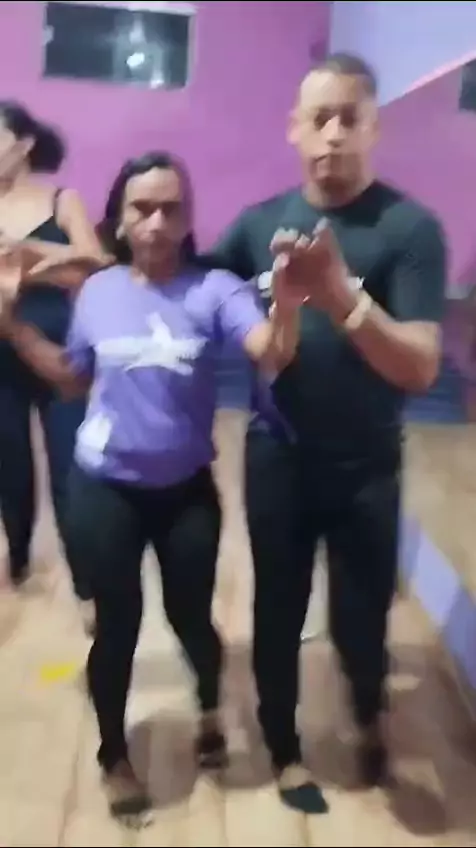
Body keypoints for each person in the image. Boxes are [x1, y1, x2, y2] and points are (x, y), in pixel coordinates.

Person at [0, 151, 307, 824]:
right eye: (143, 208)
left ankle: (209, 705)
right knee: (117, 625)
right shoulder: (97, 292)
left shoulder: (215, 290)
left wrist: (285, 305)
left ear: (190, 218)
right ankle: (114, 755)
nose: (158, 222)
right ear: (118, 218)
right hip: (104, 488)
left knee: (192, 618)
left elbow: (273, 351)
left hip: (185, 490)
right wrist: (12, 326)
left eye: (172, 209)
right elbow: (73, 377)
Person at [207, 53, 446, 812]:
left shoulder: (410, 229)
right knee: (276, 610)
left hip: (368, 463)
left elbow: (421, 368)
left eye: (351, 118)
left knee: (361, 618)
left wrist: (341, 297)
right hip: (277, 457)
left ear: (375, 128)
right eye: (320, 118)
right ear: (295, 129)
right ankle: (282, 746)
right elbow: (194, 296)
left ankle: (369, 711)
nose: (334, 134)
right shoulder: (254, 228)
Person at [0, 101, 107, 616]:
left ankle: (87, 586)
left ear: (23, 144)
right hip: (1, 347)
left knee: (70, 467)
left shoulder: (63, 200)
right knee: (9, 466)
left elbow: (94, 265)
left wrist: (27, 258)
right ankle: (18, 557)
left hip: (60, 350)